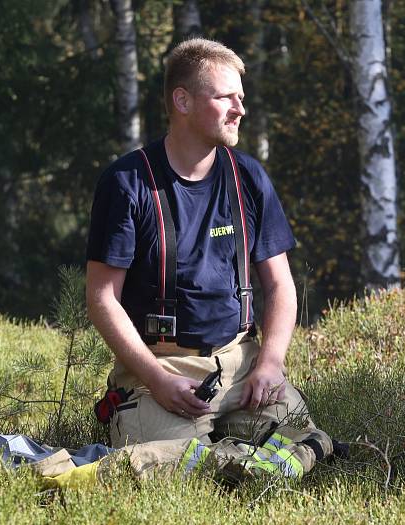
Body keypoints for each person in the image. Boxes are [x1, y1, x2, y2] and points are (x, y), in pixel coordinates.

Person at [85, 38, 338, 481]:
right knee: (182, 471)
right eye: (225, 97)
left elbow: (280, 285)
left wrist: (270, 364)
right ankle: (230, 457)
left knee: (306, 440)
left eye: (241, 98)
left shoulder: (249, 178)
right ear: (181, 100)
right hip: (160, 370)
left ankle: (236, 455)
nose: (240, 109)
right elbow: (102, 298)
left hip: (240, 364)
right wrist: (157, 380)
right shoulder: (127, 183)